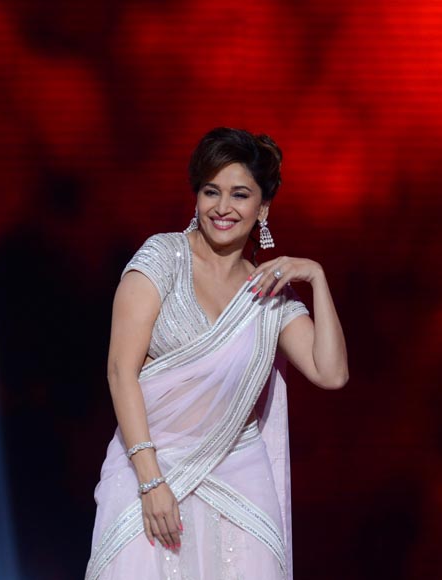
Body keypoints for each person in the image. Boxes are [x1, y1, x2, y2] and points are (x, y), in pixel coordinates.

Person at [86, 128, 348, 579]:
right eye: (212, 191)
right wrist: (151, 482)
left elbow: (331, 373)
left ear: (262, 208)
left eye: (240, 194)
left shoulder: (267, 295)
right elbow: (119, 372)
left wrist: (316, 277)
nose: (223, 208)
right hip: (148, 469)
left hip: (238, 480)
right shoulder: (162, 258)